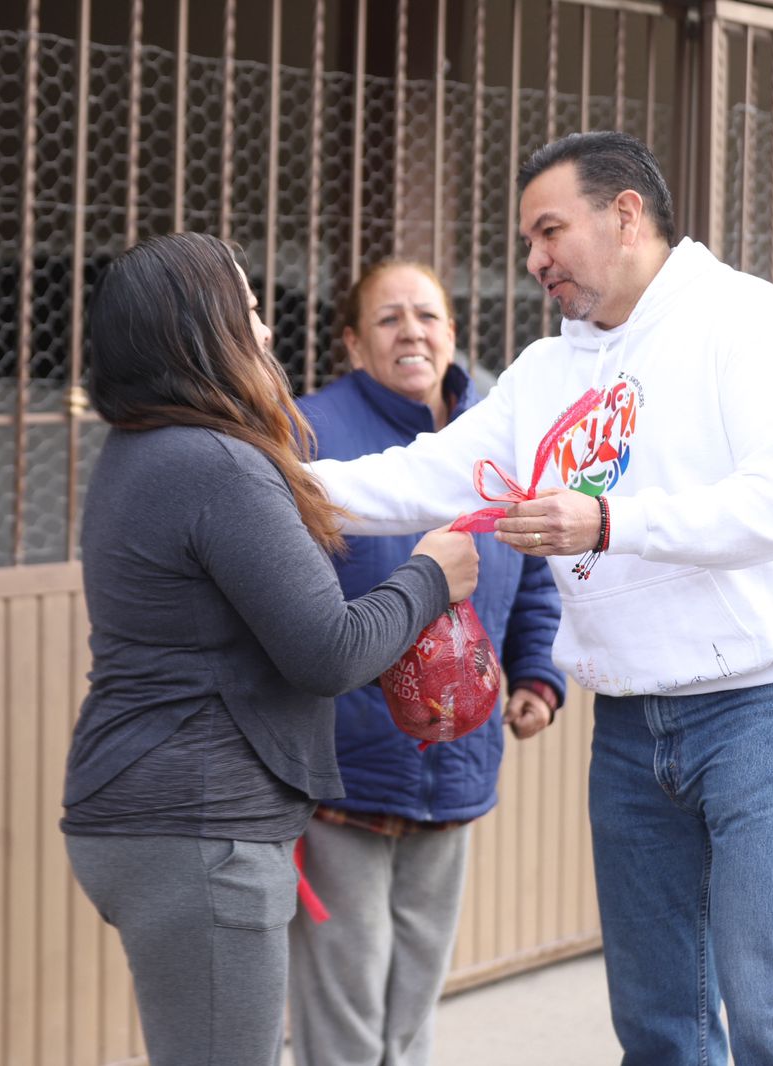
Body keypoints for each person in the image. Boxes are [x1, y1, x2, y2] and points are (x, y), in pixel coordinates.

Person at [308, 131, 773, 1065]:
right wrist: (273, 485)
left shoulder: (749, 322)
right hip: (632, 722)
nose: (532, 260)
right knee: (657, 1022)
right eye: (528, 241)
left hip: (771, 707)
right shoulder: (545, 373)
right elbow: (424, 477)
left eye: (547, 231)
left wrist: (608, 523)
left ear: (625, 215)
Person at [58, 232, 480, 1066]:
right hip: (200, 829)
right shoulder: (215, 464)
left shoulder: (144, 451)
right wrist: (430, 575)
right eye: (248, 312)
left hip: (150, 815)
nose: (265, 333)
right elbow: (327, 650)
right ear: (200, 330)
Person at [286, 260, 565, 1066]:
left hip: (457, 765)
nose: (412, 332)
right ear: (352, 341)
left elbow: (536, 572)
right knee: (344, 1003)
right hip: (345, 774)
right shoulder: (309, 435)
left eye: (428, 316)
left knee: (413, 1005)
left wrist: (538, 677)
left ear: (452, 332)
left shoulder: (494, 436)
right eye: (388, 318)